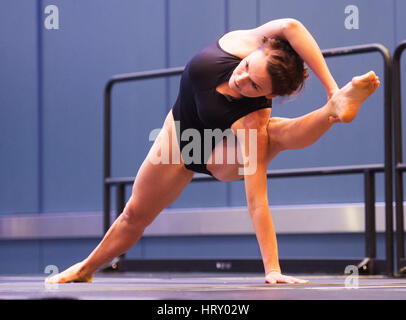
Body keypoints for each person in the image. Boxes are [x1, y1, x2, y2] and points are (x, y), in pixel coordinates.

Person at [46, 18, 379, 285]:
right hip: (177, 144)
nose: (242, 80)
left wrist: (272, 268)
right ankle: (86, 268)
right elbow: (292, 27)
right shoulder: (244, 41)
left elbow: (257, 200)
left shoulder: (253, 119)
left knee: (274, 133)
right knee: (134, 215)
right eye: (247, 67)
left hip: (219, 156)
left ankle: (333, 112)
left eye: (255, 86)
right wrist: (331, 85)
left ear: (268, 96)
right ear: (256, 48)